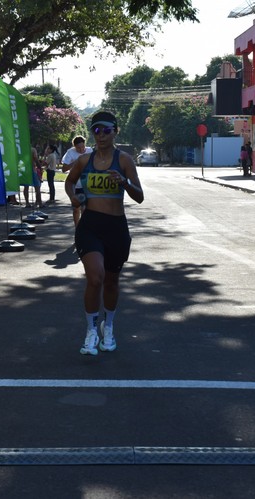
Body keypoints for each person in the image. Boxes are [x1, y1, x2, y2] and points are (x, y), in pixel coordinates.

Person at [64, 111, 144, 356]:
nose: (100, 135)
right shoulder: (83, 160)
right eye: (96, 131)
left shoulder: (124, 160)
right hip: (90, 226)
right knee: (95, 278)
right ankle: (90, 330)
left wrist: (124, 183)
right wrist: (73, 196)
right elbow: (69, 181)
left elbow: (139, 196)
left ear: (115, 131)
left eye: (106, 130)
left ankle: (108, 326)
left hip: (116, 227)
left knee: (111, 281)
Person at [61, 135, 93, 226]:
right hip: (76, 184)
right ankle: (77, 228)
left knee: (84, 208)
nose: (81, 149)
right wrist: (76, 162)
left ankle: (83, 229)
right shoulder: (70, 153)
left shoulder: (90, 151)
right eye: (78, 148)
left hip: (87, 184)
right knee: (76, 209)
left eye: (83, 147)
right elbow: (64, 169)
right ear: (74, 147)